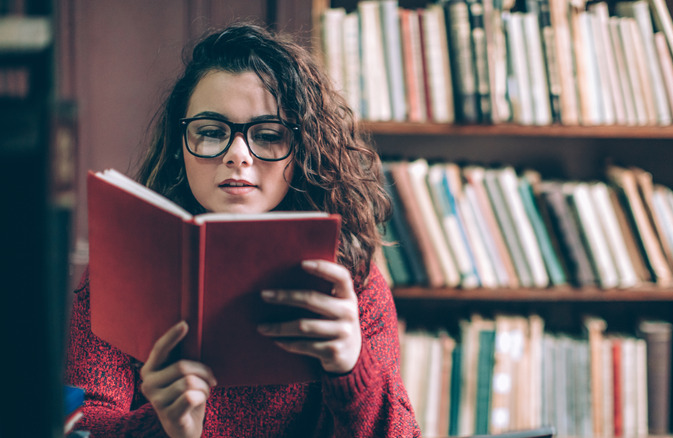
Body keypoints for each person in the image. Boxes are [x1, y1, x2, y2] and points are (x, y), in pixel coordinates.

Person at [65, 22, 420, 438]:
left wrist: (351, 369)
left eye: (268, 135)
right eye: (212, 132)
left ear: (301, 153)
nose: (238, 155)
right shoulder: (119, 274)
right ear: (180, 147)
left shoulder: (351, 285)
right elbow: (80, 427)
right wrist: (164, 429)